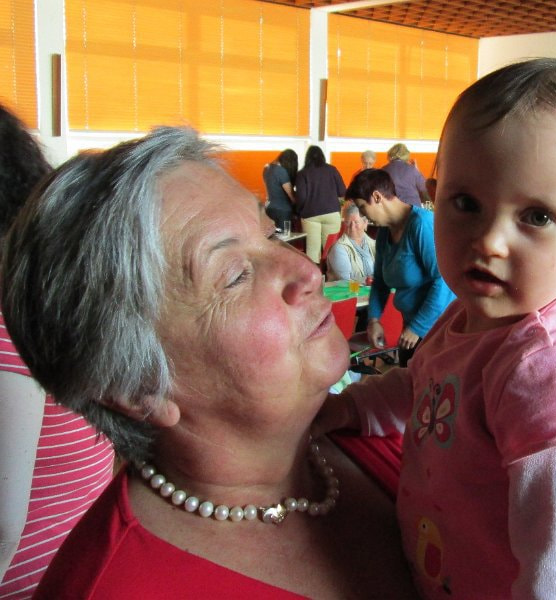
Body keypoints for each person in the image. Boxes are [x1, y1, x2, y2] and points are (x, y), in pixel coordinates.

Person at [2, 127, 417, 599]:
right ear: (139, 387)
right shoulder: (118, 588)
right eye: (236, 275)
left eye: (269, 234)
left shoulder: (388, 425)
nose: (307, 271)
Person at [319, 58, 556, 598]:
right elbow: (421, 387)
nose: (490, 240)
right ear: (435, 196)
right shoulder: (467, 316)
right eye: (467, 203)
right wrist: (345, 409)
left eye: (537, 216)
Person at [0, 104, 115, 598]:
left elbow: (3, 526)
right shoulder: (51, 292)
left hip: (34, 577)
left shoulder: (7, 317)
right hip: (80, 557)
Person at [345, 169, 454, 367]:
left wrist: (418, 327)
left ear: (377, 197)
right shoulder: (384, 233)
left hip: (437, 328)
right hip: (411, 327)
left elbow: (444, 280)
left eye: (362, 207)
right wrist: (373, 320)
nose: (363, 215)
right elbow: (380, 282)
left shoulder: (421, 225)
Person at [295, 145, 346, 264]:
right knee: (331, 249)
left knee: (313, 251)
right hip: (332, 213)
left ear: (307, 158)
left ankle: (316, 275)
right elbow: (342, 191)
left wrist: (300, 211)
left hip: (310, 215)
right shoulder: (332, 170)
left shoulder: (302, 173)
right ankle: (332, 273)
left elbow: (301, 196)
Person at [326, 203, 376, 283]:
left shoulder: (374, 244)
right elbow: (346, 280)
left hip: (370, 288)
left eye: (356, 222)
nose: (352, 227)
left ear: (365, 223)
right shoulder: (339, 248)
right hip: (347, 290)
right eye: (348, 222)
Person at [381, 143, 430, 207]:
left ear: (390, 154)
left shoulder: (383, 170)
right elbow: (424, 187)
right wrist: (416, 169)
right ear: (406, 155)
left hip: (393, 207)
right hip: (413, 207)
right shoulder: (412, 169)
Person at [262, 148, 298, 229]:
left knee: (273, 234)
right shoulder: (281, 171)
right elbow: (291, 195)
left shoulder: (267, 169)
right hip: (283, 210)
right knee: (284, 235)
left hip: (269, 208)